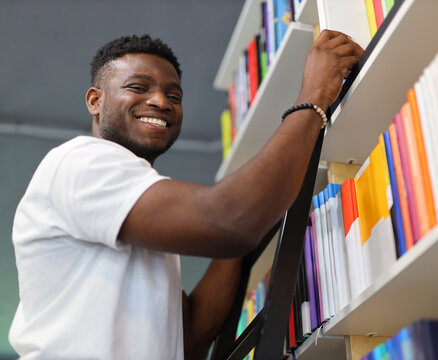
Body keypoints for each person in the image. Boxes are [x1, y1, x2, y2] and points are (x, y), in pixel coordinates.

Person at [9, 31, 362, 360]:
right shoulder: (82, 161)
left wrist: (247, 223)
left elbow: (188, 338)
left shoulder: (135, 201)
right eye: (138, 86)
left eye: (174, 95)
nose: (161, 101)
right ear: (95, 100)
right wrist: (313, 99)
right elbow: (232, 221)